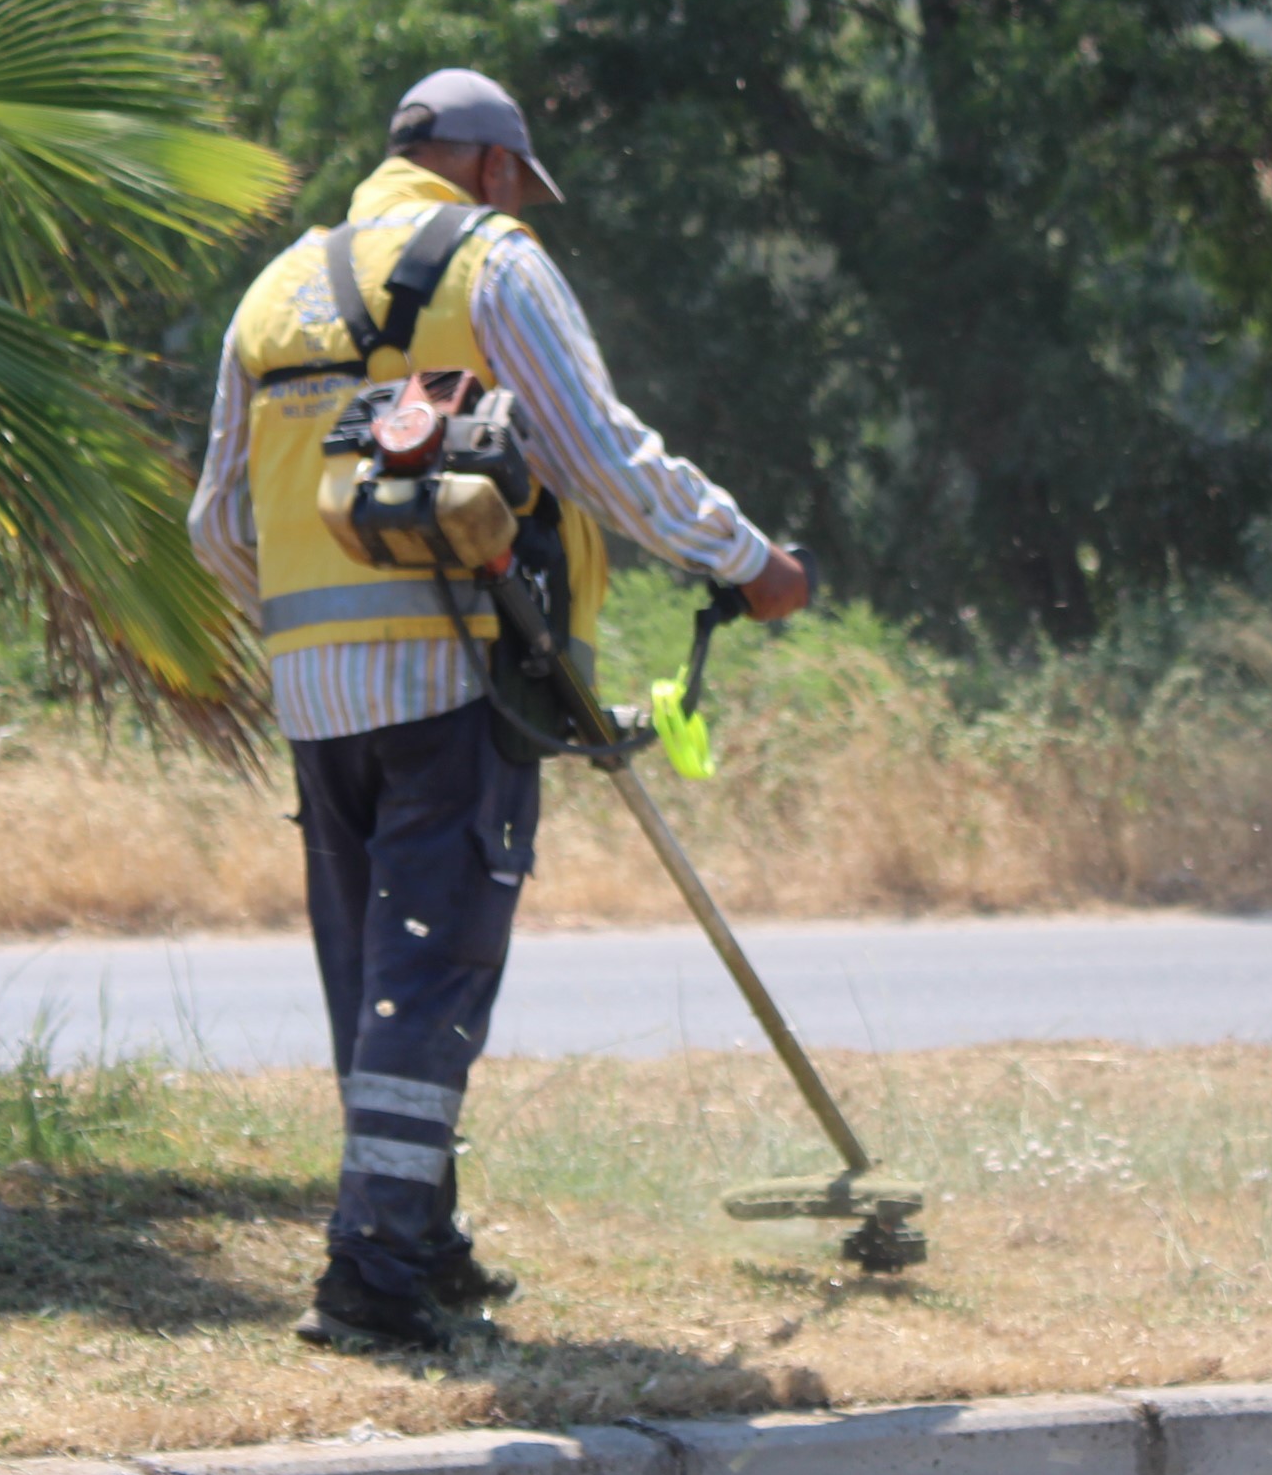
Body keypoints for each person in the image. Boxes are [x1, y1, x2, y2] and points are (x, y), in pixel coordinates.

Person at [188, 69, 811, 1354]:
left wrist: (313, 624)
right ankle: (370, 1278)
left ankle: (418, 1234)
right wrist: (745, 561)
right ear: (486, 168)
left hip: (317, 702)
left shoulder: (274, 287)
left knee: (378, 975)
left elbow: (218, 526)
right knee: (433, 971)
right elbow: (602, 453)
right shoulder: (492, 262)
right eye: (518, 181)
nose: (522, 202)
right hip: (455, 686)